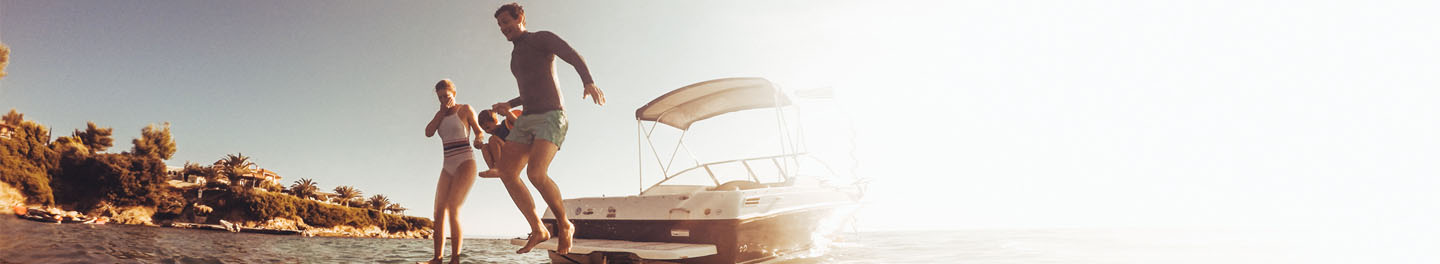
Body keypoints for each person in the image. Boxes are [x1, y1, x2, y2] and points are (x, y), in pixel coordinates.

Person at [481, 2, 606, 255]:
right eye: (500, 25)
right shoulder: (514, 57)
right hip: (526, 118)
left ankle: (564, 224)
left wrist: (588, 82)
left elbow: (571, 54)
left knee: (536, 174)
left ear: (521, 17)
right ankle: (538, 228)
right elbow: (530, 90)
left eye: (506, 22)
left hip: (551, 115)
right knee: (507, 172)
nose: (503, 28)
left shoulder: (541, 38)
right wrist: (511, 103)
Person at [422, 79, 485, 264]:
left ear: (454, 93)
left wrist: (479, 139)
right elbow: (428, 132)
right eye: (440, 97)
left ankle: (455, 259)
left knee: (453, 207)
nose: (443, 100)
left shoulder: (465, 109)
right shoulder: (440, 114)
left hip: (465, 162)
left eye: (446, 96)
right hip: (447, 166)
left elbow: (479, 131)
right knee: (438, 212)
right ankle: (437, 258)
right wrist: (440, 113)